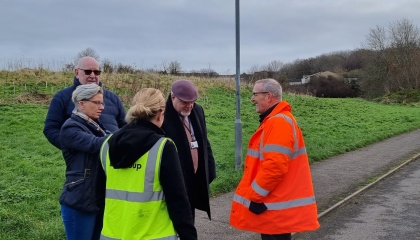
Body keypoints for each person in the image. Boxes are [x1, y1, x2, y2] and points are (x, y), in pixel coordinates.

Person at [99, 88, 197, 240]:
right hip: (154, 235)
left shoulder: (107, 144)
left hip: (113, 235)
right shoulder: (163, 147)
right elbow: (178, 200)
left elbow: (98, 196)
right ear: (159, 114)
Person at [230, 79, 320, 240]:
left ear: (269, 96)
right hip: (274, 205)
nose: (252, 99)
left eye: (255, 94)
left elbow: (275, 167)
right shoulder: (277, 120)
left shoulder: (278, 122)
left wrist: (253, 196)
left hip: (274, 207)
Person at [59, 84, 109, 240]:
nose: (102, 107)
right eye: (97, 102)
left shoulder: (95, 125)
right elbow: (96, 144)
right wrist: (130, 134)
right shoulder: (71, 127)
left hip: (96, 198)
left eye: (102, 103)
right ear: (81, 103)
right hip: (80, 200)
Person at [161, 79, 216, 221]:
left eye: (192, 101)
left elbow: (204, 141)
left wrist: (209, 169)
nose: (190, 105)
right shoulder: (162, 116)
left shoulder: (197, 110)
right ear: (173, 97)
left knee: (189, 220)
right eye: (185, 102)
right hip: (175, 181)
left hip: (194, 179)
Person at [43, 56, 126, 150]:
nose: (92, 75)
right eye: (88, 71)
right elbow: (51, 129)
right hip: (84, 158)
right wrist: (72, 148)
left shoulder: (113, 98)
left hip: (114, 157)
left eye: (96, 72)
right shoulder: (62, 97)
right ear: (77, 72)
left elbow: (125, 126)